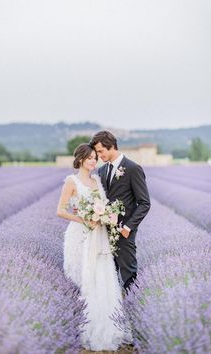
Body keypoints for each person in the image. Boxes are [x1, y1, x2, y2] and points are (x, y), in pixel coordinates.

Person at [57, 143, 127, 351]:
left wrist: (105, 215)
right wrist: (83, 219)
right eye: (90, 157)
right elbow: (60, 210)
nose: (93, 161)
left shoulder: (96, 180)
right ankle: (82, 325)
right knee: (84, 278)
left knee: (102, 277)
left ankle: (107, 325)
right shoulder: (72, 181)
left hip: (99, 235)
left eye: (95, 157)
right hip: (81, 235)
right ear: (80, 159)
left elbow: (103, 206)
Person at [90, 130, 151, 292]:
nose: (98, 156)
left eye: (100, 151)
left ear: (111, 147)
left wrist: (127, 228)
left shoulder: (133, 168)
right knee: (107, 277)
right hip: (103, 233)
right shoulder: (101, 171)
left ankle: (133, 310)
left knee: (128, 275)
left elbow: (144, 203)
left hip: (124, 234)